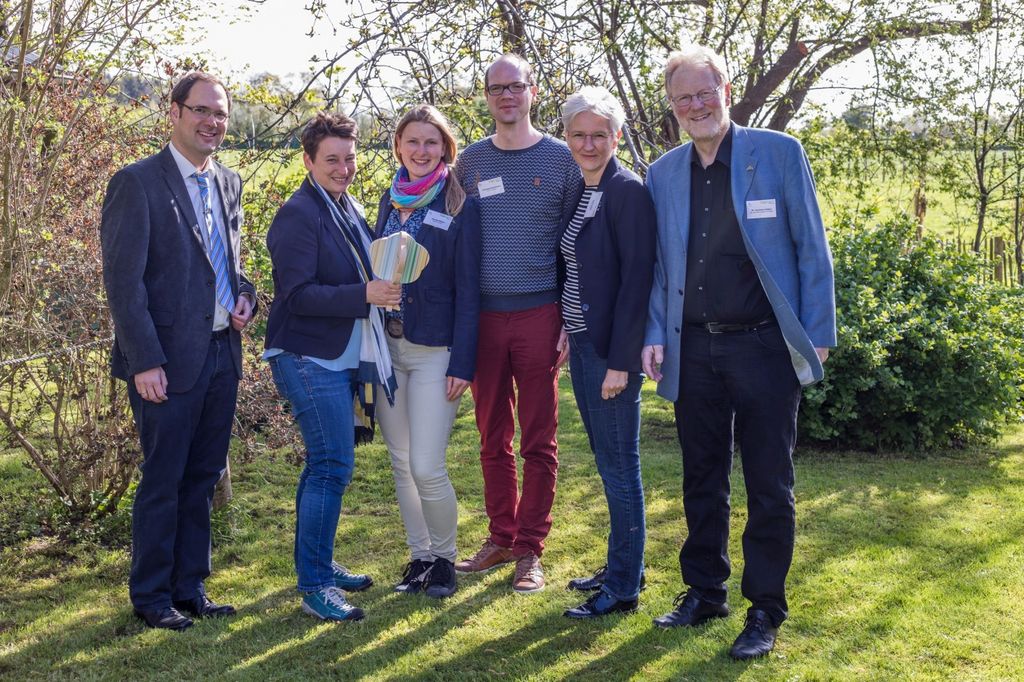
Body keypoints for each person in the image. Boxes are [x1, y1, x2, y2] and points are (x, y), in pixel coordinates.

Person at [642, 45, 836, 659]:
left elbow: (811, 246)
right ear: (672, 106)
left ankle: (765, 609)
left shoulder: (778, 154)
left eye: (704, 93)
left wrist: (817, 332)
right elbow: (658, 266)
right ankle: (705, 591)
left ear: (725, 90)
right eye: (683, 98)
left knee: (768, 482)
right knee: (701, 477)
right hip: (693, 347)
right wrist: (653, 332)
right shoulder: (662, 174)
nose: (695, 106)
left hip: (764, 347)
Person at [101, 71, 257, 631]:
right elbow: (124, 283)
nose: (212, 122)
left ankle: (190, 588)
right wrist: (144, 360)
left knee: (204, 476)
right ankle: (150, 596)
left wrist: (246, 298)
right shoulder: (137, 183)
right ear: (174, 112)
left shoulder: (229, 182)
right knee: (163, 479)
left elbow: (230, 264)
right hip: (164, 362)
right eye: (201, 110)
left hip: (220, 354)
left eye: (220, 113)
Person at [264, 112, 401, 622]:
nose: (344, 168)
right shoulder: (298, 214)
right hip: (307, 356)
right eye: (332, 160)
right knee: (332, 465)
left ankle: (317, 563)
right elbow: (297, 295)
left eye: (350, 158)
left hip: (341, 354)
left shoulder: (346, 206)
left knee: (325, 465)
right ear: (308, 161)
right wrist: (364, 294)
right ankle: (316, 586)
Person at [454, 53, 582, 593]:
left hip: (539, 313)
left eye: (515, 86)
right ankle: (501, 536)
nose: (506, 96)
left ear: (533, 91)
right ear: (486, 96)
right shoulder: (470, 163)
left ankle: (530, 548)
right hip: (483, 317)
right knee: (492, 436)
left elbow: (577, 245)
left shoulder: (562, 160)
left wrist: (569, 318)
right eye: (496, 88)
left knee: (539, 439)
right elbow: (450, 237)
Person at [555, 87, 656, 619]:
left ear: (616, 137)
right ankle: (625, 564)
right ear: (567, 137)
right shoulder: (582, 187)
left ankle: (622, 587)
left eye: (599, 134)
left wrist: (621, 362)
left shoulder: (626, 191)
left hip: (610, 352)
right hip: (584, 342)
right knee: (607, 461)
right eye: (579, 134)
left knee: (619, 468)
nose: (589, 144)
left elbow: (638, 282)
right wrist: (567, 326)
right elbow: (579, 269)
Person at [373, 105, 481, 598]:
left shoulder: (459, 205)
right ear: (398, 146)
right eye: (412, 141)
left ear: (445, 149)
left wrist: (464, 361)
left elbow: (469, 290)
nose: (421, 150)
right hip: (388, 349)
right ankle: (419, 559)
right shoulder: (388, 200)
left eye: (431, 142)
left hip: (436, 352)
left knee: (426, 465)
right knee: (400, 461)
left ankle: (444, 560)